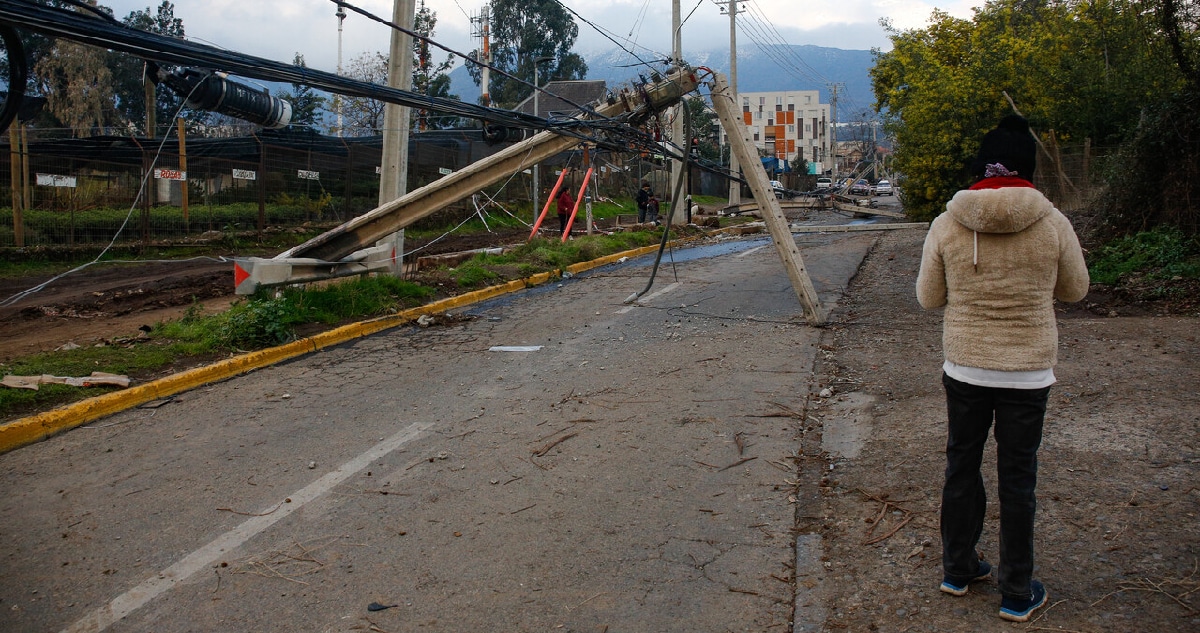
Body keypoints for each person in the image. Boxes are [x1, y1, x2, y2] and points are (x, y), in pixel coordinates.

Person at [915, 114, 1089, 623]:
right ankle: (1016, 590)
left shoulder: (947, 223)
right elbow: (1075, 291)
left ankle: (958, 567)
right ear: (1028, 169)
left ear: (981, 167)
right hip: (1028, 370)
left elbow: (929, 299)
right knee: (1018, 476)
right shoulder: (1054, 222)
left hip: (966, 367)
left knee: (961, 466)